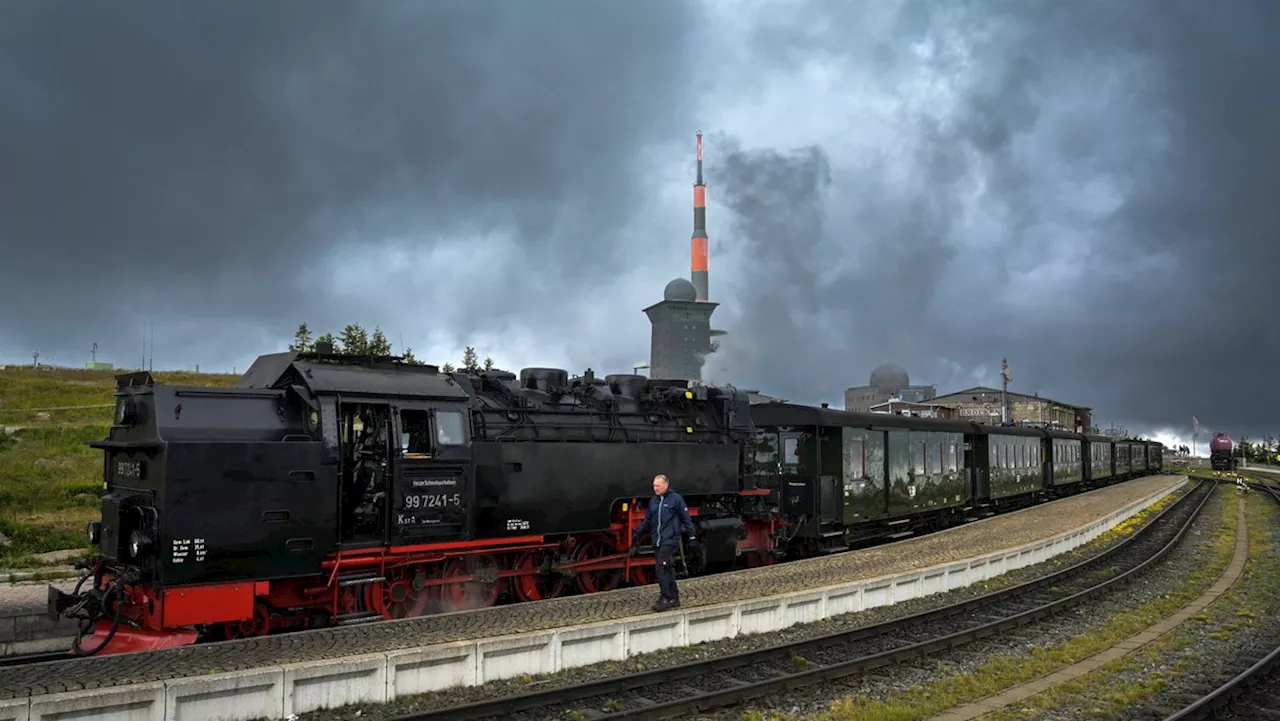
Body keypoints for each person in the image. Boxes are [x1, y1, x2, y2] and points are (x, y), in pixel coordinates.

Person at [630, 473, 698, 611]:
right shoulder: (654, 501)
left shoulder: (676, 499)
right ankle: (674, 598)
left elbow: (686, 519)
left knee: (661, 567)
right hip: (657, 540)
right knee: (668, 569)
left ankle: (666, 597)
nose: (655, 488)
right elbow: (648, 520)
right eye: (654, 486)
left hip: (669, 539)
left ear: (666, 485)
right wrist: (636, 535)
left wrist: (692, 537)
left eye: (658, 486)